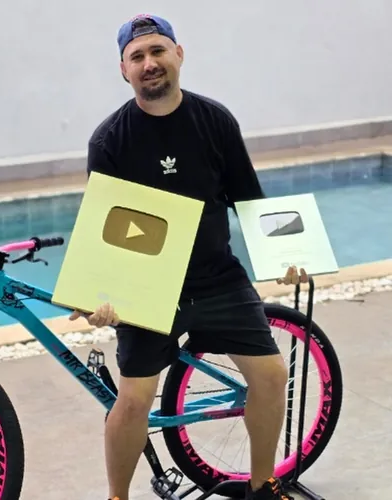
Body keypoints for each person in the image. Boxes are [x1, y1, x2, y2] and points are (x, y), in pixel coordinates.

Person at [69, 13, 309, 500]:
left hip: (217, 277)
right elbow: (103, 231)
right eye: (137, 56)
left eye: (158, 50)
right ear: (123, 70)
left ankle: (262, 486)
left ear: (179, 54)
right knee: (133, 400)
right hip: (147, 287)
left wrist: (284, 253)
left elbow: (249, 200)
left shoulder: (215, 121)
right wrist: (98, 295)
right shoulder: (110, 140)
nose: (149, 63)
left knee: (271, 376)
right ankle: (117, 497)